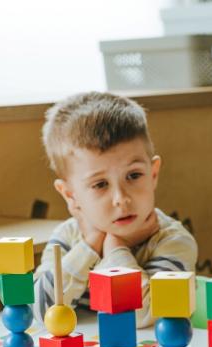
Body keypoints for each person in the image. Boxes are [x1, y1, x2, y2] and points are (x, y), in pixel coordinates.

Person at [34, 91, 197, 327]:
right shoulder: (67, 238)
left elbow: (148, 315)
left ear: (153, 174)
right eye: (100, 184)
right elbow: (40, 310)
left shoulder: (172, 240)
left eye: (134, 175)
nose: (121, 198)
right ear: (70, 195)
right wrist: (90, 246)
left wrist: (114, 248)